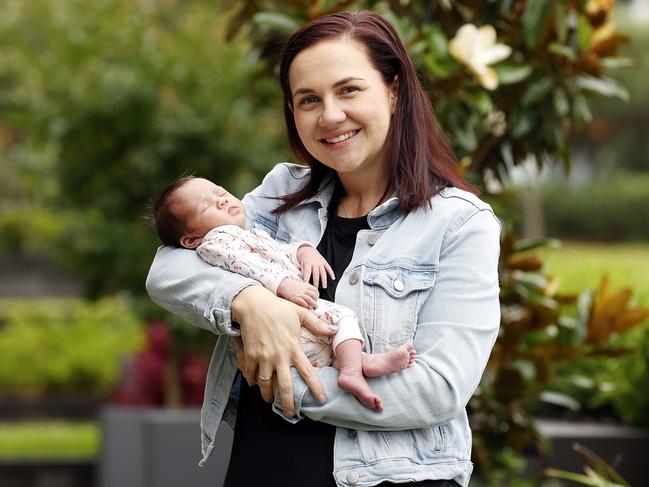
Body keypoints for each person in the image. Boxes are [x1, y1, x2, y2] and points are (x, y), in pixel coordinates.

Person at [146, 10, 501, 487]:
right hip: (262, 469)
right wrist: (250, 304)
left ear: (393, 90)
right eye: (308, 99)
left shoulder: (459, 224)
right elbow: (169, 269)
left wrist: (283, 383)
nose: (330, 115)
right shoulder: (279, 195)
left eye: (349, 89)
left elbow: (436, 389)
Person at [151, 175, 417, 411]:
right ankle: (354, 368)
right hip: (287, 324)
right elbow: (248, 265)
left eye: (220, 192)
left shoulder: (249, 234)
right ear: (190, 240)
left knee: (336, 330)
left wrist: (304, 251)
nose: (221, 201)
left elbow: (277, 251)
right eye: (207, 205)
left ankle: (354, 366)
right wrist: (279, 286)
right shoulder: (218, 241)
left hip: (301, 327)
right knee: (341, 318)